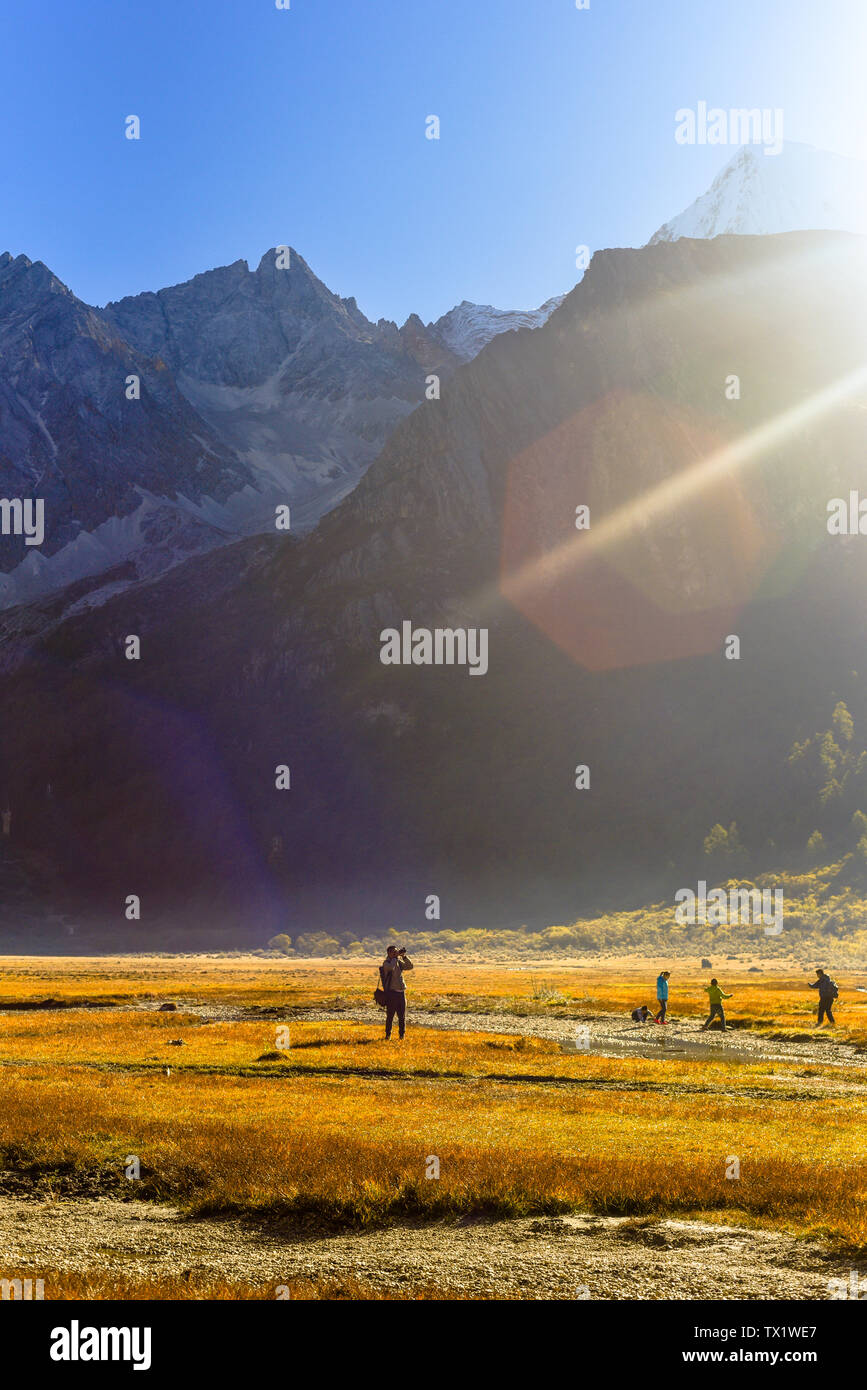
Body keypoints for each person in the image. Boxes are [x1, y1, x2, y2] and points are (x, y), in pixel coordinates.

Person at [380, 945, 413, 1040]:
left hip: (401, 993)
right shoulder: (386, 963)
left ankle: (401, 1036)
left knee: (402, 1016)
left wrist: (403, 957)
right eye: (394, 952)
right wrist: (395, 958)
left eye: (396, 952)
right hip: (392, 993)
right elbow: (391, 968)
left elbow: (410, 966)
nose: (396, 954)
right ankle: (388, 1035)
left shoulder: (398, 961)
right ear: (389, 953)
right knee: (390, 1016)